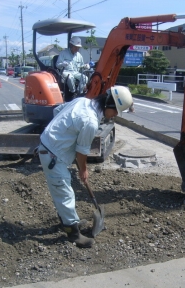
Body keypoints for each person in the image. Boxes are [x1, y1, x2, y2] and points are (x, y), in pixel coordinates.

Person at [37, 86, 133, 248]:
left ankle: (69, 220)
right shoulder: (90, 122)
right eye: (116, 111)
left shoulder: (82, 101)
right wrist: (83, 169)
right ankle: (73, 234)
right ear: (109, 105)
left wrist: (65, 135)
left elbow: (58, 111)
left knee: (63, 189)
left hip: (50, 147)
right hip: (52, 155)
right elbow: (82, 152)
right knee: (64, 192)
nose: (115, 115)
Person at [56, 36, 90, 101]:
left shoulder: (79, 55)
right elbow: (57, 65)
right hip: (65, 72)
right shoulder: (64, 53)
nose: (77, 49)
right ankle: (73, 93)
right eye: (75, 47)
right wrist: (62, 64)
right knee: (70, 77)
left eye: (78, 47)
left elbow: (81, 67)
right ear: (71, 45)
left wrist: (85, 66)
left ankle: (79, 93)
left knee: (85, 78)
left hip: (75, 72)